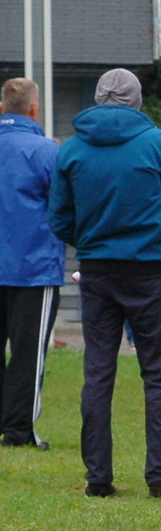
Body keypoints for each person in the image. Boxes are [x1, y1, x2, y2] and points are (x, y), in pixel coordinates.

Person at [47, 68, 161, 498]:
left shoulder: (71, 149)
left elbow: (59, 218)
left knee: (98, 372)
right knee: (159, 375)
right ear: (137, 100)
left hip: (96, 270)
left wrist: (91, 240)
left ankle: (98, 478)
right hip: (149, 269)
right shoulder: (157, 142)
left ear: (96, 98)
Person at [0, 77, 63, 450]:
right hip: (32, 267)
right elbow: (63, 207)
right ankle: (19, 429)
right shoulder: (46, 152)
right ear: (34, 109)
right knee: (27, 352)